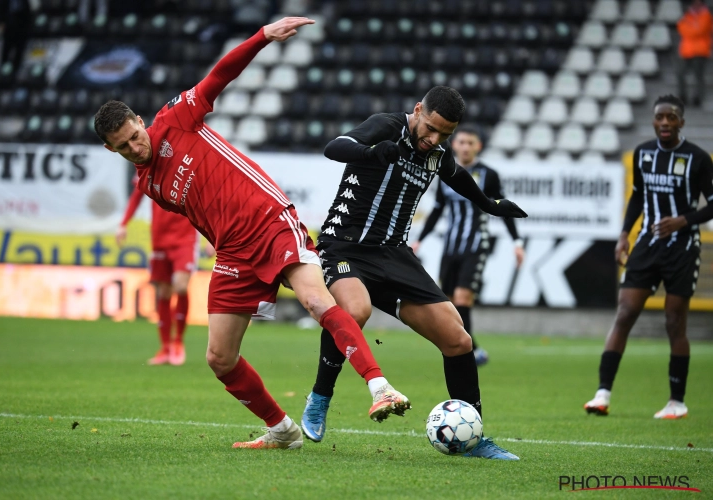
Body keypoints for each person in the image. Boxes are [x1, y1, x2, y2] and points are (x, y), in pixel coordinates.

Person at [94, 17, 410, 450]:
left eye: (134, 135)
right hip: (233, 251)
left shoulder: (177, 118)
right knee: (219, 358)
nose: (135, 147)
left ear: (139, 120)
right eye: (123, 146)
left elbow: (219, 74)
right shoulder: (147, 185)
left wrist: (262, 37)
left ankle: (380, 387)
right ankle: (283, 431)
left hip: (269, 219)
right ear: (110, 149)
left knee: (317, 301)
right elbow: (200, 213)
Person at [300, 86, 528, 460]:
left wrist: (491, 204)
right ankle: (319, 398)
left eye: (445, 135)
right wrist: (372, 152)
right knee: (355, 310)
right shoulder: (386, 126)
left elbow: (459, 178)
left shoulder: (436, 153)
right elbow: (335, 147)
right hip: (345, 246)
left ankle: (473, 438)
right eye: (432, 129)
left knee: (458, 340)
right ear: (418, 110)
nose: (435, 139)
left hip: (395, 257)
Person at [584, 95, 713, 419]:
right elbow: (638, 196)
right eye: (660, 117)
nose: (665, 122)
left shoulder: (697, 158)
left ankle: (677, 401)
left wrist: (683, 220)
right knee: (625, 312)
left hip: (683, 248)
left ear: (681, 122)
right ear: (654, 121)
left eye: (672, 117)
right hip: (646, 244)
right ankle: (602, 394)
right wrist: (624, 234)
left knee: (674, 322)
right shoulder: (642, 154)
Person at [411, 126, 524, 366]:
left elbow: (501, 207)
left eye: (469, 143)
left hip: (476, 245)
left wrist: (517, 241)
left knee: (463, 298)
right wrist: (420, 239)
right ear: (454, 145)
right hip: (450, 247)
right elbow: (438, 209)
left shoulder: (488, 175)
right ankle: (471, 347)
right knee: (449, 302)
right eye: (460, 142)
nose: (464, 147)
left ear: (477, 146)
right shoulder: (445, 172)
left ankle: (468, 351)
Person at [117, 176, 204, 366]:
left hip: (185, 238)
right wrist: (123, 224)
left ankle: (178, 342)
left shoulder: (188, 166)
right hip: (159, 238)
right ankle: (165, 348)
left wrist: (213, 236)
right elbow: (137, 195)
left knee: (180, 287)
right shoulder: (149, 165)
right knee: (163, 292)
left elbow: (206, 200)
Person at [676, 0, 713, 107]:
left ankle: (698, 97)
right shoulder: (688, 15)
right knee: (680, 73)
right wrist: (692, 28)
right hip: (686, 50)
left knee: (698, 75)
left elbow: (700, 30)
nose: (695, 5)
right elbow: (680, 27)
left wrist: (689, 29)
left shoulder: (706, 16)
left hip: (700, 50)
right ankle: (682, 96)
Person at [0, 0, 32, 75]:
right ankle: (3, 73)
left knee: (19, 52)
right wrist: (1, 23)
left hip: (21, 30)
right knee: (6, 52)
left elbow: (28, 12)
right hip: (8, 29)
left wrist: (27, 28)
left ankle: (15, 72)